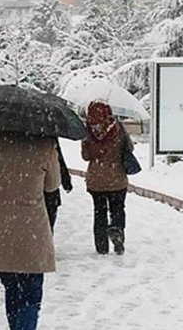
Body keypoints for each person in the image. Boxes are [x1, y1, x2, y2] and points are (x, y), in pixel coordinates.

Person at [0, 132, 60, 330]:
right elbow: (52, 186)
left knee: (12, 289)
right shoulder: (45, 144)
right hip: (32, 231)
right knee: (31, 294)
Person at [80, 101, 134, 255]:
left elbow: (85, 156)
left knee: (99, 211)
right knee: (118, 208)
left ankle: (101, 246)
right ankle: (117, 229)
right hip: (116, 177)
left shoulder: (88, 131)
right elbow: (129, 148)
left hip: (96, 180)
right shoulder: (117, 128)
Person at [44, 142, 73, 232]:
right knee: (48, 225)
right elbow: (58, 159)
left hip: (24, 187)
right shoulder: (49, 137)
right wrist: (66, 180)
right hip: (48, 188)